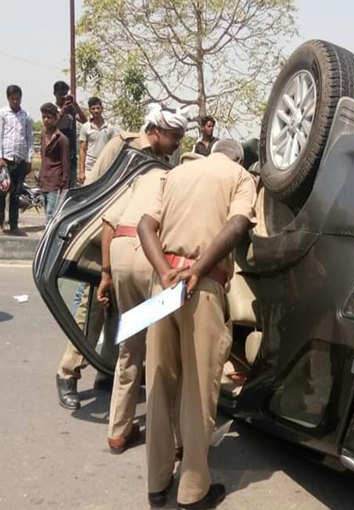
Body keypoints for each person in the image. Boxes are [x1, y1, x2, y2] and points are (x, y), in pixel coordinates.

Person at [138, 140, 257, 509]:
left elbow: (145, 225)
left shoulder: (175, 173)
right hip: (200, 285)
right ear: (237, 157)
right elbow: (238, 224)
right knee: (198, 389)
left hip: (163, 284)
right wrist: (199, 269)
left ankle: (157, 485)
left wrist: (164, 272)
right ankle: (193, 492)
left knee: (158, 382)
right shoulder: (239, 176)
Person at [55, 104, 188, 411]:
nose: (178, 143)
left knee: (125, 313)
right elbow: (93, 188)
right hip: (106, 234)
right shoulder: (122, 145)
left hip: (140, 244)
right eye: (174, 136)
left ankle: (107, 369)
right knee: (93, 309)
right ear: (155, 130)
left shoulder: (167, 161)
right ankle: (67, 373)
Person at [94, 105, 187, 454]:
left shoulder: (140, 177)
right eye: (175, 138)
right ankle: (178, 439)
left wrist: (105, 273)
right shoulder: (176, 180)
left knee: (130, 347)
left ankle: (118, 432)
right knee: (164, 351)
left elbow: (107, 222)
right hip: (150, 254)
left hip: (119, 252)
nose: (177, 145)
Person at [0, 84, 33, 235]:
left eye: (18, 98)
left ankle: (14, 225)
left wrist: (29, 159)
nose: (15, 101)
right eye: (13, 99)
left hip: (20, 160)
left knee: (16, 194)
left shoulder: (25, 116)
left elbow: (29, 139)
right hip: (5, 160)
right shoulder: (3, 114)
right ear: (8, 98)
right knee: (2, 193)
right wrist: (0, 157)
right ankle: (1, 223)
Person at [37, 103, 69, 222]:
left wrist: (64, 185)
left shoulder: (62, 139)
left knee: (51, 214)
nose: (46, 120)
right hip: (44, 180)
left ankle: (49, 239)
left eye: (49, 117)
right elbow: (43, 158)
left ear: (55, 117)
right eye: (44, 117)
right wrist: (40, 176)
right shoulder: (43, 136)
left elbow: (65, 163)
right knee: (46, 212)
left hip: (55, 182)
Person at [53, 81, 87, 188]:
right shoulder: (52, 109)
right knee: (58, 186)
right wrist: (63, 110)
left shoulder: (71, 109)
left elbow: (85, 121)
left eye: (65, 94)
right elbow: (52, 125)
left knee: (71, 186)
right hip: (57, 154)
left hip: (71, 153)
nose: (63, 97)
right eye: (61, 95)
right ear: (55, 94)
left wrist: (75, 105)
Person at [78, 97, 117, 184]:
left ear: (102, 109)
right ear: (90, 110)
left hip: (105, 168)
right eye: (93, 108)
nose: (96, 111)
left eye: (98, 108)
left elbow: (114, 148)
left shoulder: (110, 128)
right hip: (89, 168)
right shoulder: (85, 128)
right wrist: (81, 172)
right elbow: (82, 150)